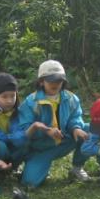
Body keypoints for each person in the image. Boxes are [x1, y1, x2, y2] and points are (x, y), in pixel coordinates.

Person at [17, 60, 91, 189]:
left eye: (59, 80)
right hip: (41, 148)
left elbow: (75, 116)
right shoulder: (31, 102)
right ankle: (35, 166)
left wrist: (75, 128)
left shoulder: (71, 98)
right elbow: (24, 130)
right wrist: (46, 131)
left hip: (65, 140)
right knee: (30, 183)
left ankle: (77, 168)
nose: (56, 84)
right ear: (41, 81)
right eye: (51, 80)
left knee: (88, 129)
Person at [0, 72, 27, 166]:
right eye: (4, 96)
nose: (9, 101)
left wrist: (10, 138)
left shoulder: (18, 113)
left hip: (13, 149)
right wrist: (10, 138)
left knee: (24, 144)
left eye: (12, 96)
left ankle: (12, 166)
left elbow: (21, 134)